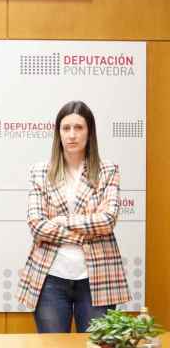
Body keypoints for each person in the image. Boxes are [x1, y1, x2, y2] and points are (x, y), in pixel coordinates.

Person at [17, 101, 130, 333]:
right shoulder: (41, 171)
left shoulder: (108, 170)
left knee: (98, 344)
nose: (72, 135)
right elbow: (37, 226)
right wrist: (86, 231)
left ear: (90, 132)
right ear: (58, 133)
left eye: (79, 128)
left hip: (98, 278)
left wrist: (62, 221)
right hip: (50, 279)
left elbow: (107, 220)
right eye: (66, 128)